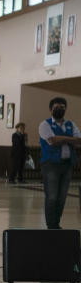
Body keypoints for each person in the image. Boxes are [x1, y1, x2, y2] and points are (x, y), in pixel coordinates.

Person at [38, 97, 81, 229]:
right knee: (52, 196)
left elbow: (79, 140)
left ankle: (56, 223)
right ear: (51, 109)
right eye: (57, 107)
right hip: (51, 164)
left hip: (67, 164)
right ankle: (51, 225)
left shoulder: (71, 124)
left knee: (62, 197)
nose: (59, 109)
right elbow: (52, 141)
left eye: (62, 107)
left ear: (65, 109)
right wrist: (70, 139)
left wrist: (61, 139)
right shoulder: (44, 124)